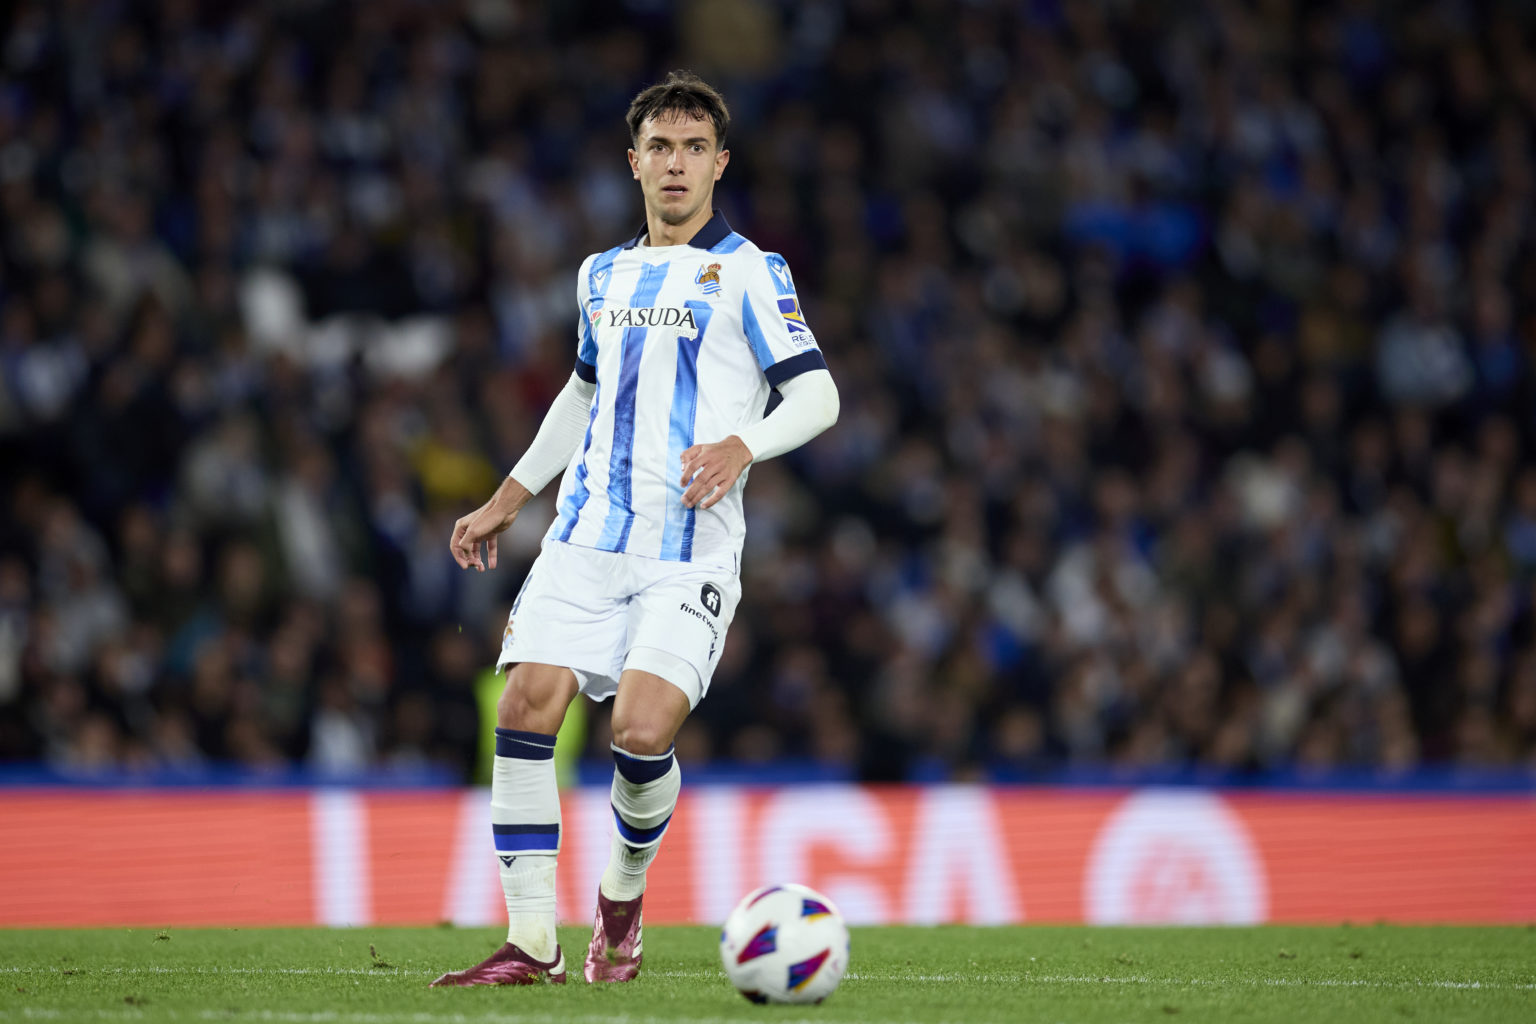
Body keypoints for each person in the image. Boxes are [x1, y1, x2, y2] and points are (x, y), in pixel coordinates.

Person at [430, 71, 840, 987]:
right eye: (661, 147)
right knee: (526, 706)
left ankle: (622, 894)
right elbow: (582, 396)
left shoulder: (748, 272)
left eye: (695, 148)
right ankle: (532, 941)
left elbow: (818, 393)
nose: (677, 164)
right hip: (583, 538)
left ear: (720, 164)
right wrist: (508, 497)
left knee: (641, 733)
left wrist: (746, 443)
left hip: (687, 548)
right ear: (634, 163)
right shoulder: (600, 274)